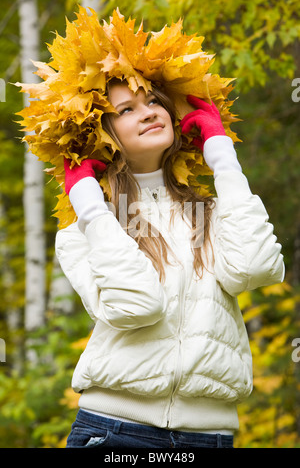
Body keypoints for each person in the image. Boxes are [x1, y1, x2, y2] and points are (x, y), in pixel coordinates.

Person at [56, 79, 284, 449]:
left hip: (209, 435)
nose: (148, 112)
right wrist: (89, 203)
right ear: (102, 133)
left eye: (152, 102)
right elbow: (137, 306)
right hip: (115, 430)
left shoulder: (210, 211)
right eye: (126, 109)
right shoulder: (83, 229)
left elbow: (255, 268)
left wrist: (222, 155)